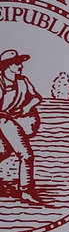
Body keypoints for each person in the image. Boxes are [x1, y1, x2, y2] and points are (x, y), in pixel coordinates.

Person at [0, 49, 42, 202]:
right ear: (7, 66)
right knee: (26, 155)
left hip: (16, 120)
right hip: (4, 120)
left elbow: (36, 97)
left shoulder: (22, 81)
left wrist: (26, 108)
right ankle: (26, 191)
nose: (20, 66)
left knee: (3, 152)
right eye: (17, 63)